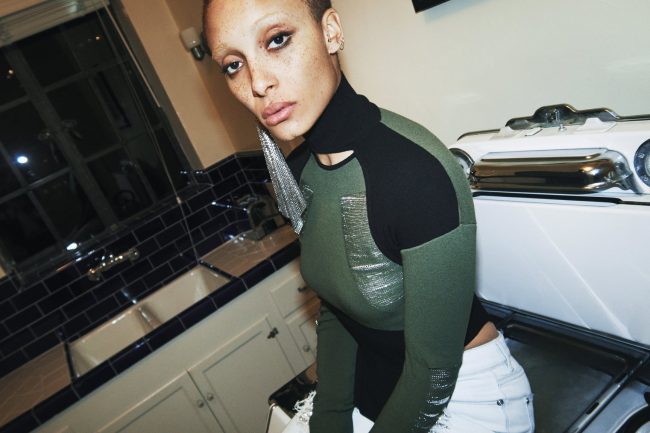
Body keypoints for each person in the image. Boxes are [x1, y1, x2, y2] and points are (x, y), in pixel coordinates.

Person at [202, 1, 535, 432]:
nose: (257, 82)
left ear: (331, 32)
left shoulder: (413, 174)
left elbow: (433, 371)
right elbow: (337, 307)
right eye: (233, 65)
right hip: (382, 383)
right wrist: (330, 417)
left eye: (277, 40)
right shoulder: (298, 172)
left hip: (466, 393)